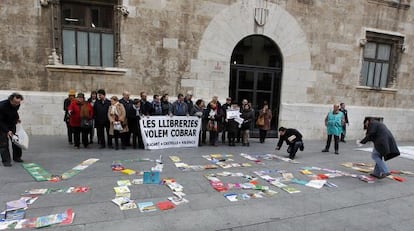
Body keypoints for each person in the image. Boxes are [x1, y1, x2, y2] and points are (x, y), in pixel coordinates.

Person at [0, 93, 24, 166]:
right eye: (15, 102)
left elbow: (14, 112)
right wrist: (7, 131)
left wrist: (17, 119)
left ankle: (17, 157)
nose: (17, 104)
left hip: (11, 124)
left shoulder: (17, 104)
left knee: (16, 141)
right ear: (10, 100)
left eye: (19, 102)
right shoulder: (2, 106)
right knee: (4, 143)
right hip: (1, 125)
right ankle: (6, 161)